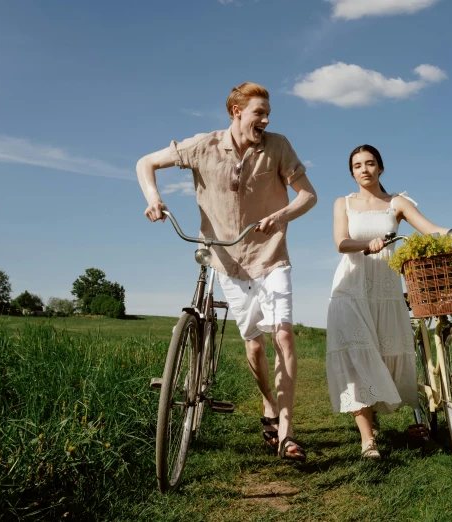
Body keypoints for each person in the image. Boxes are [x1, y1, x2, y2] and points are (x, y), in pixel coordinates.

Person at [136, 82, 317, 461]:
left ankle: (287, 432)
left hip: (270, 255)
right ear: (236, 112)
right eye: (259, 113)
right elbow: (146, 163)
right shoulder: (204, 145)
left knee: (283, 336)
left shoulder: (278, 146)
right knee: (254, 344)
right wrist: (154, 199)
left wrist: (280, 215)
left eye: (267, 114)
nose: (265, 120)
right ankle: (268, 402)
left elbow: (307, 195)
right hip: (225, 260)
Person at [326, 144, 452, 459]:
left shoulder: (396, 203)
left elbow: (432, 232)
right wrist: (366, 244)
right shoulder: (342, 203)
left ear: (380, 168)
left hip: (385, 291)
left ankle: (378, 420)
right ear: (352, 172)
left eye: (370, 163)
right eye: (357, 165)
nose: (364, 169)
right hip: (350, 289)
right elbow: (341, 242)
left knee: (383, 358)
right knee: (357, 359)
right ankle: (367, 440)